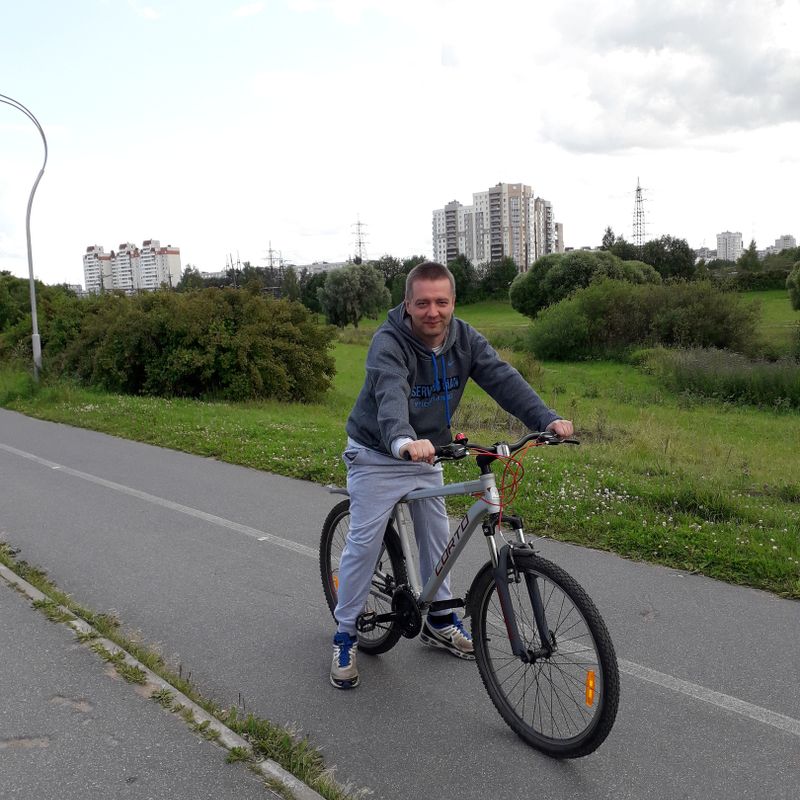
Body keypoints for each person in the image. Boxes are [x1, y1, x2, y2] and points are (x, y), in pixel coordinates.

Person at [330, 261, 573, 689]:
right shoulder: (389, 342)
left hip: (427, 454)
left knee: (438, 535)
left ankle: (441, 620)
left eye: (441, 302)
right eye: (422, 302)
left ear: (453, 303)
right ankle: (346, 632)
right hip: (379, 453)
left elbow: (502, 378)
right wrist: (403, 440)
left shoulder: (464, 339)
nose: (432, 311)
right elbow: (390, 393)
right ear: (407, 304)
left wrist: (545, 419)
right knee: (364, 544)